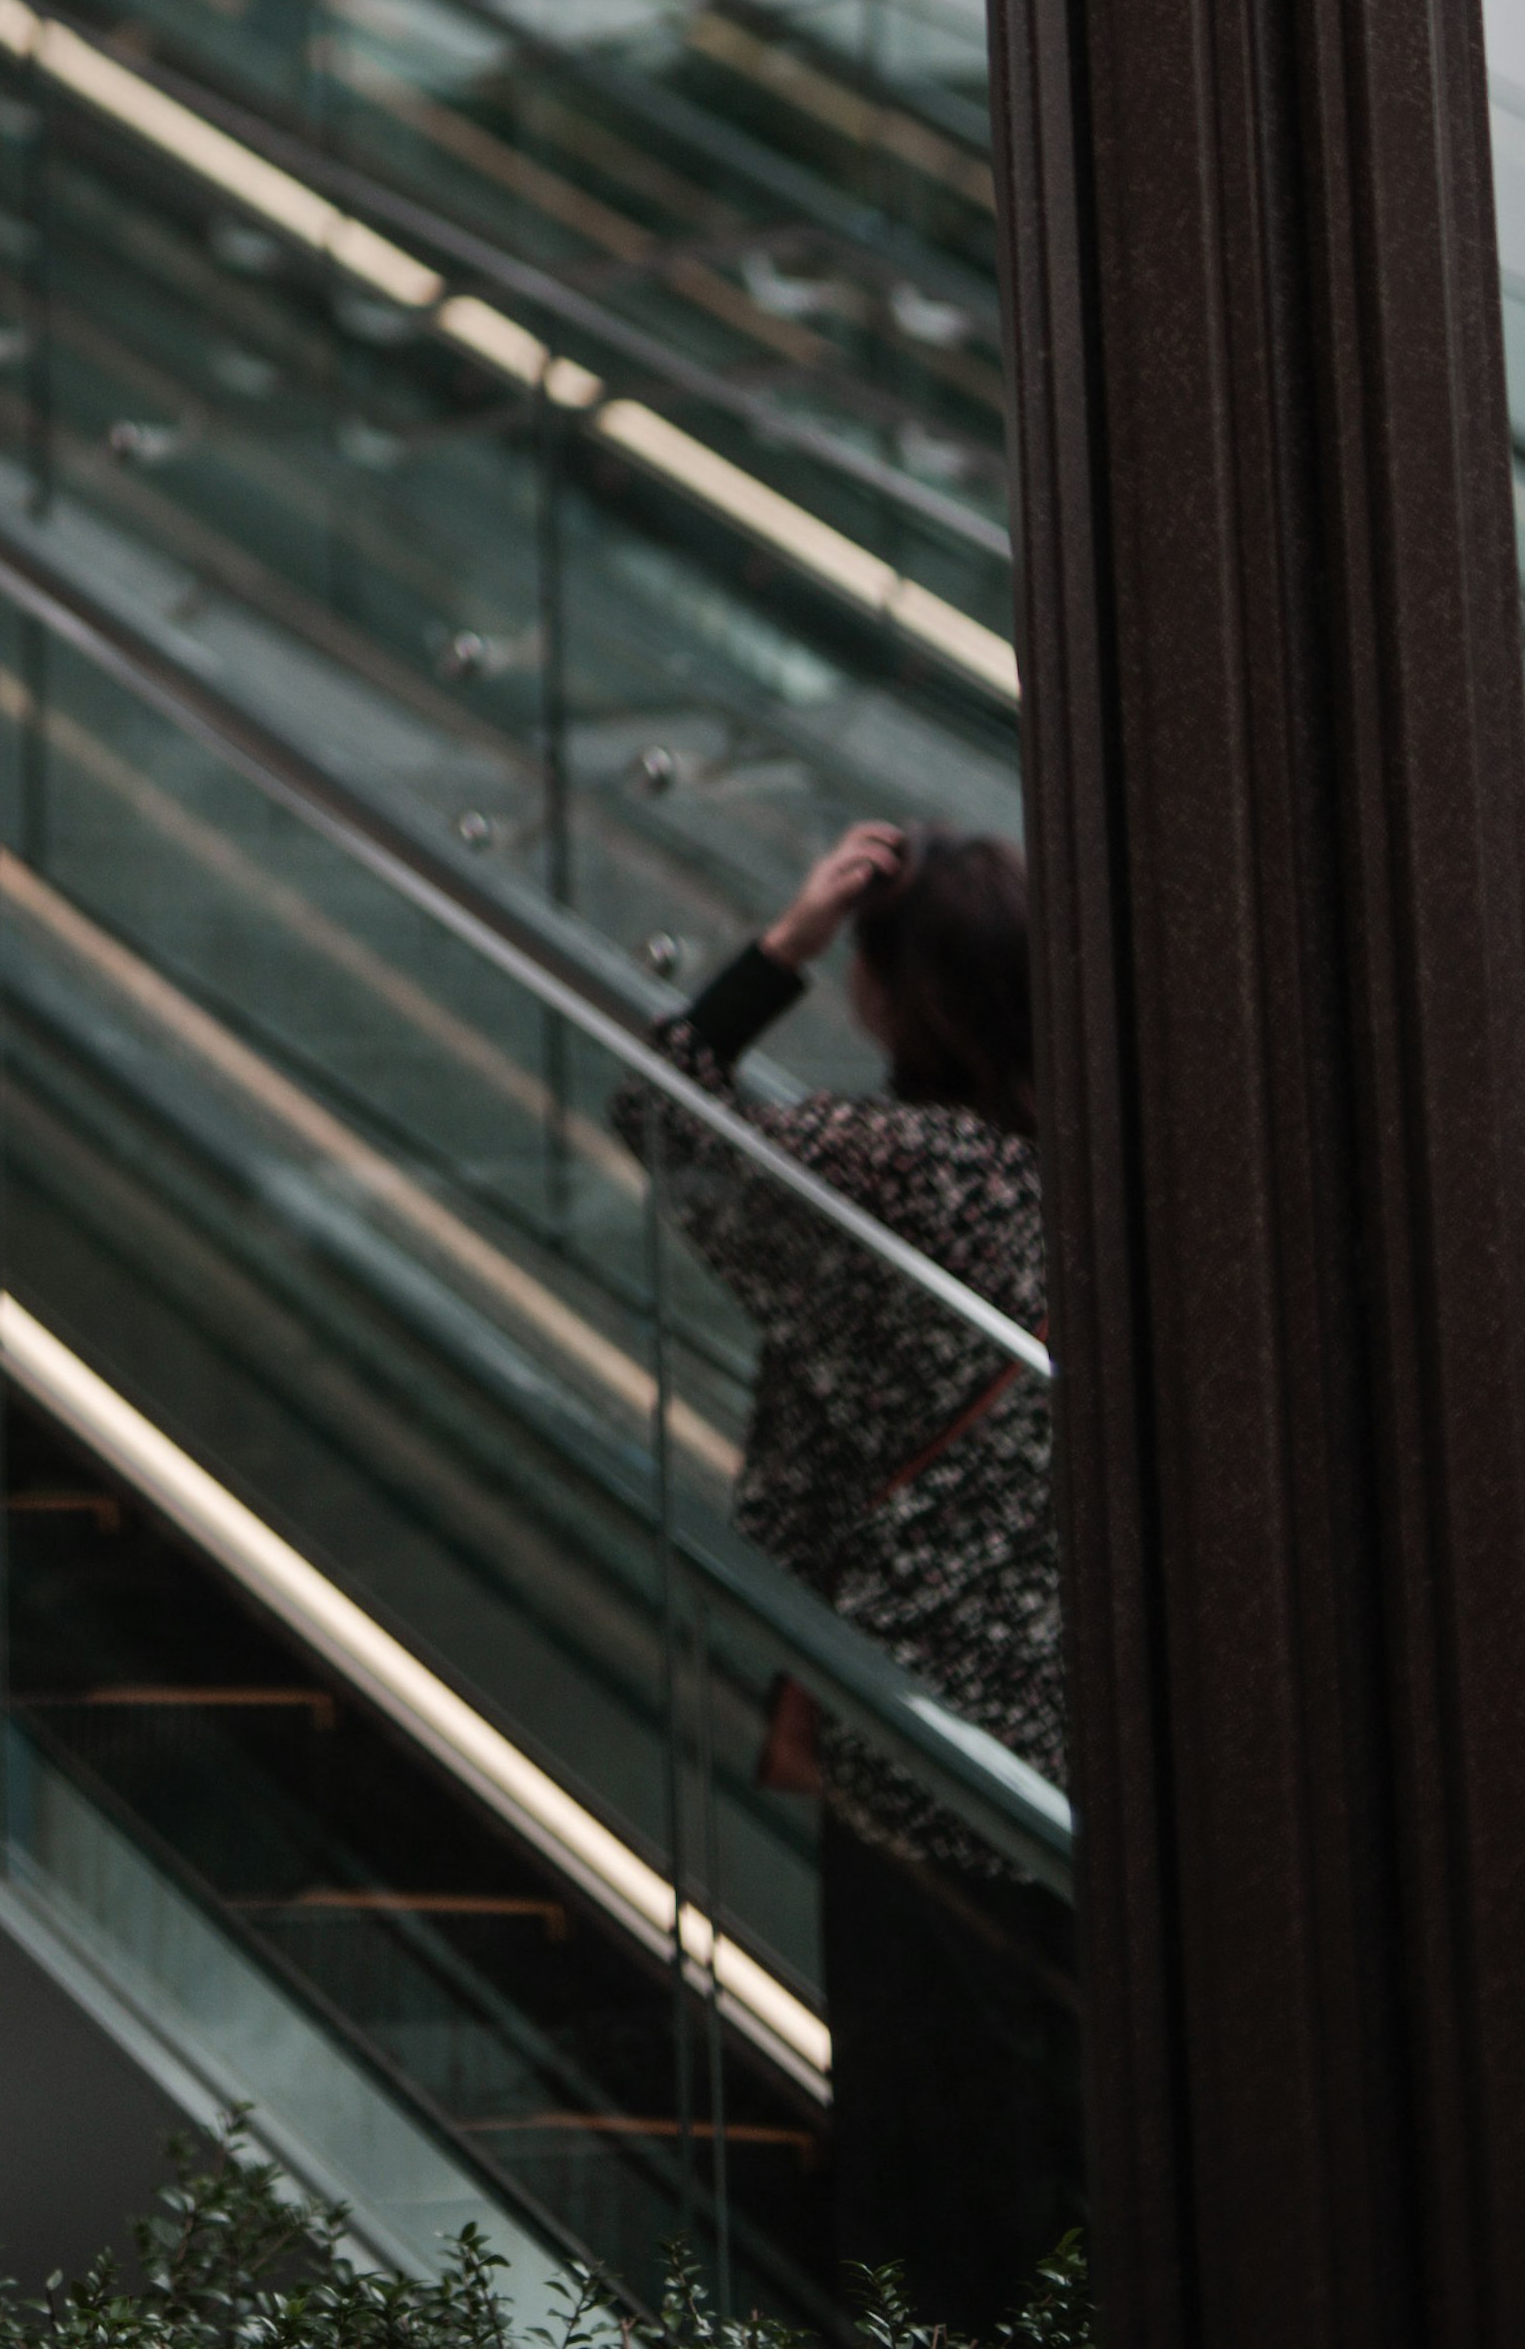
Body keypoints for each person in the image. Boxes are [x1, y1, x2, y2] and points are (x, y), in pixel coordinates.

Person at [614, 819, 1081, 2324]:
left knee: (929, 2122)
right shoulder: (1085, 1170)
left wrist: (790, 934)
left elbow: (661, 1110)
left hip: (920, 1728)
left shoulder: (875, 1163)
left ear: (895, 990)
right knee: (1059, 2114)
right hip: (1085, 1732)